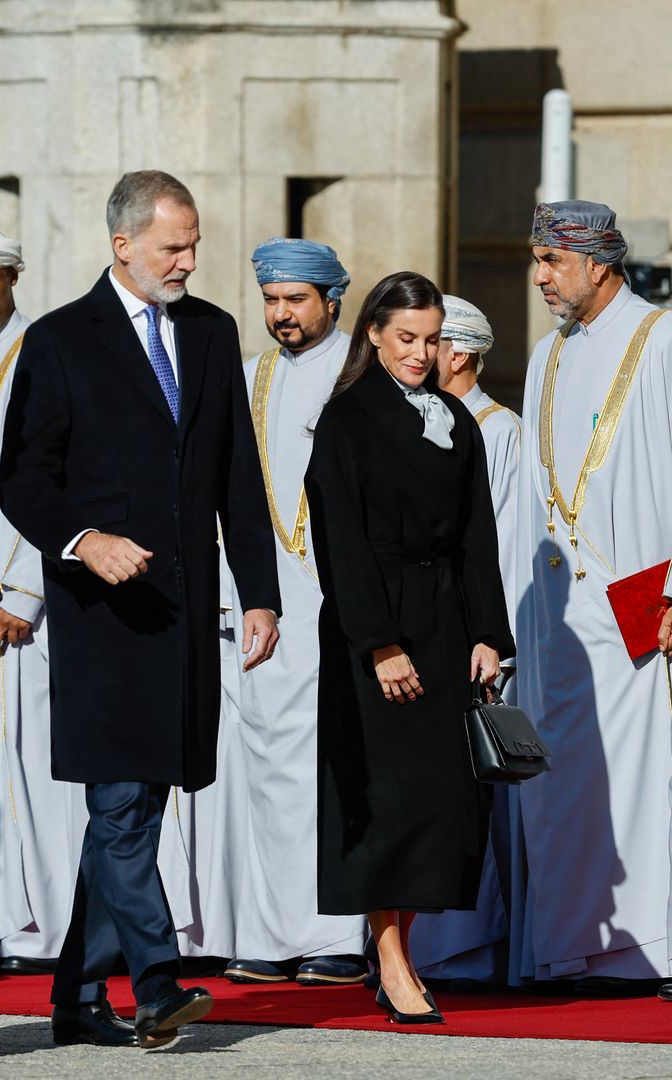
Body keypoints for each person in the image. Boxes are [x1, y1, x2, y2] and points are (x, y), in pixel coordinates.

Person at [0, 170, 282, 1049]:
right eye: (173, 247)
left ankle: (79, 1000)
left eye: (194, 244)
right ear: (122, 244)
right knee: (122, 804)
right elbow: (21, 482)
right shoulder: (57, 341)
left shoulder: (210, 333)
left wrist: (262, 594)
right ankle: (156, 985)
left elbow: (239, 475)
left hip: (186, 618)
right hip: (105, 622)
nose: (189, 261)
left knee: (139, 805)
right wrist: (84, 540)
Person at [305, 271, 514, 1023]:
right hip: (378, 628)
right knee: (386, 800)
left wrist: (489, 632)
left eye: (432, 340)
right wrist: (379, 644)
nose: (422, 354)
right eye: (407, 339)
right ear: (373, 334)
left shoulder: (457, 421)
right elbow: (341, 544)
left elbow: (477, 537)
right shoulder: (346, 421)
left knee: (436, 804)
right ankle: (390, 961)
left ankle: (401, 949)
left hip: (446, 625)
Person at [515, 201, 672, 997]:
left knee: (648, 777)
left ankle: (657, 946)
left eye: (553, 261)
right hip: (558, 618)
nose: (540, 277)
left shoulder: (664, 338)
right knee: (568, 780)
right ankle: (576, 946)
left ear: (599, 264)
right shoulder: (546, 354)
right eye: (536, 260)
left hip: (642, 601)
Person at [218, 239, 366, 987]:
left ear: (331, 300)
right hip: (266, 605)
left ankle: (338, 936)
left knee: (337, 766)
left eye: (295, 301)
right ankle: (274, 933)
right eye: (272, 301)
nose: (281, 315)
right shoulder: (248, 380)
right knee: (271, 766)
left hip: (346, 604)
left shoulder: (363, 376)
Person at [0, 226, 85, 974]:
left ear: (13, 279)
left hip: (26, 601)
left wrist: (24, 594)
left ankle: (53, 925)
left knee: (34, 759)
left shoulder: (45, 352)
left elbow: (56, 484)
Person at [410, 295, 524, 985]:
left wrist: (491, 640)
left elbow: (502, 544)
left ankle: (467, 950)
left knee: (467, 791)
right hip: (419, 634)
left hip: (470, 643)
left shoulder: (497, 429)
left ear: (457, 353)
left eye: (430, 343)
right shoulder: (419, 421)